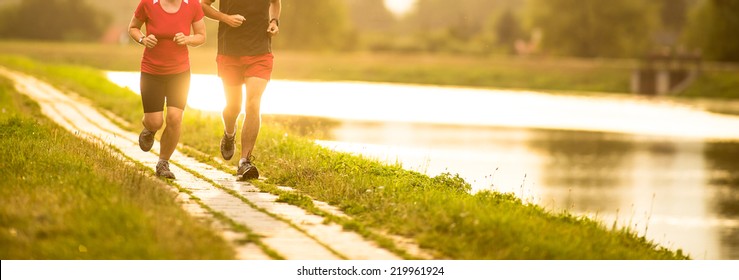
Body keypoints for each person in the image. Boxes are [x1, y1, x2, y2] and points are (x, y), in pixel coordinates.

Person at [201, 0, 281, 180]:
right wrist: (226, 18)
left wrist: (274, 21)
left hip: (260, 51)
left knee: (253, 104)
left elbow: (275, 3)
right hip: (230, 51)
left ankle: (245, 161)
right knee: (233, 107)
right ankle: (230, 132)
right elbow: (203, 5)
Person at [129, 0, 206, 179]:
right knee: (156, 121)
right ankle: (149, 129)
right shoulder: (148, 3)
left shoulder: (192, 4)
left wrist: (187, 39)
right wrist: (143, 39)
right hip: (151, 72)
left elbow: (201, 35)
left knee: (174, 117)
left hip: (180, 72)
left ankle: (163, 162)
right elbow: (133, 27)